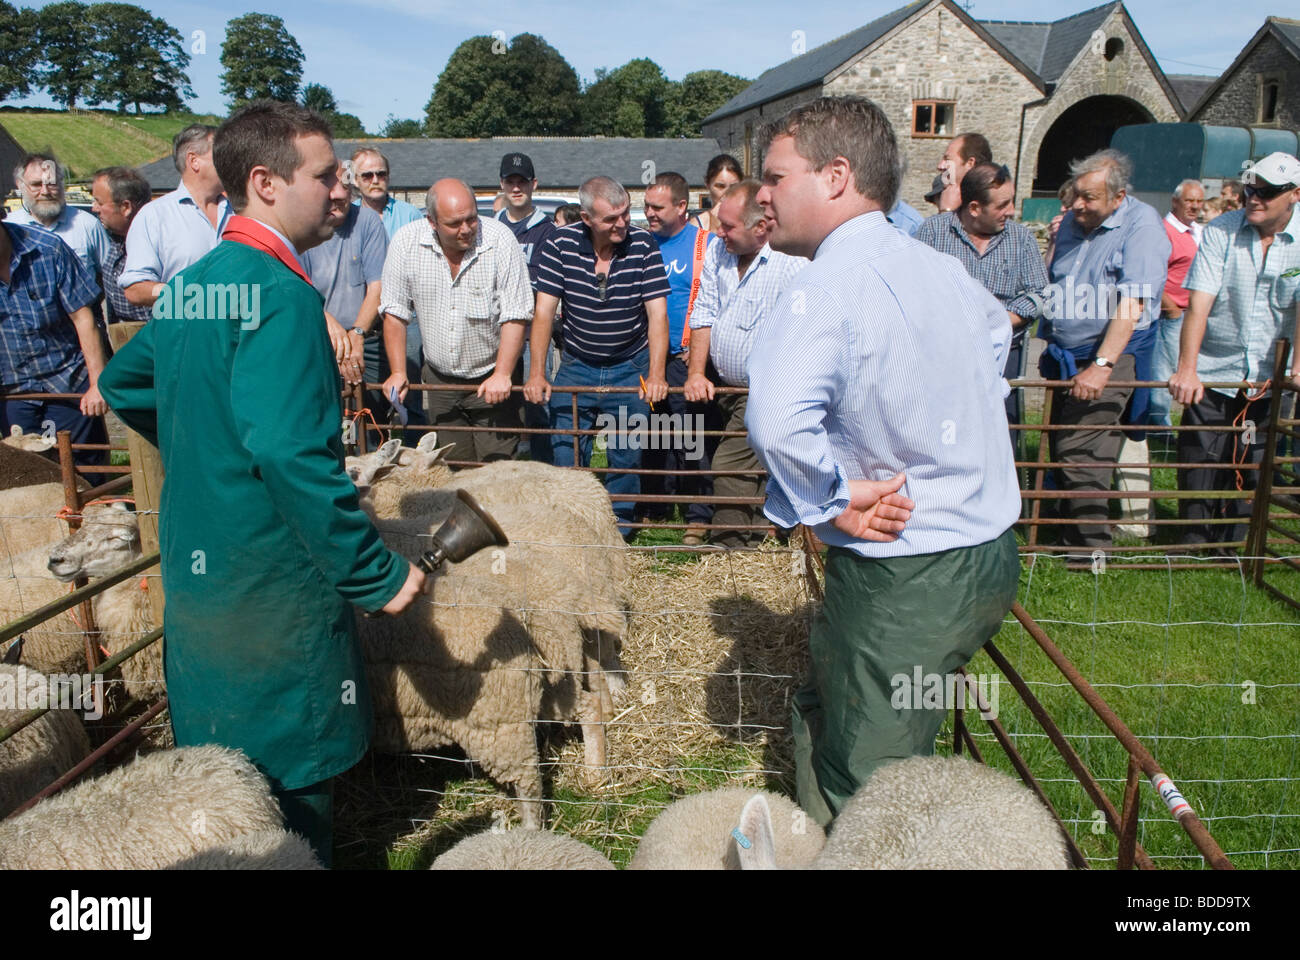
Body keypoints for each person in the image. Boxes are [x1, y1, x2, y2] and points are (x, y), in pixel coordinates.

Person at [97, 101, 425, 867]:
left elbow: (123, 381)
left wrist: (205, 449)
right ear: (265, 182)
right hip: (270, 588)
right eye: (324, 175)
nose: (340, 190)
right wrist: (373, 572)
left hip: (202, 577)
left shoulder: (200, 280)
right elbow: (290, 454)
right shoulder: (281, 295)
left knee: (222, 777)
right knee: (287, 792)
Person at [745, 95, 1016, 825]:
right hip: (984, 548)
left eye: (774, 176)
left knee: (868, 779)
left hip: (909, 562)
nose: (760, 194)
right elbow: (996, 339)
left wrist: (835, 495)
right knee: (850, 703)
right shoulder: (937, 266)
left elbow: (773, 418)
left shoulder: (825, 290)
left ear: (835, 176)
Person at [524, 175, 670, 537]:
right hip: (576, 363)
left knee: (626, 453)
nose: (622, 223)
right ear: (586, 218)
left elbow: (657, 314)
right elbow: (543, 312)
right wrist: (537, 373)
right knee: (567, 450)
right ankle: (575, 527)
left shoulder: (644, 244)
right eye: (611, 219)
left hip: (630, 363)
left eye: (624, 214)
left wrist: (656, 374)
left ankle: (618, 531)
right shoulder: (560, 243)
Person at [1169, 152, 1300, 549]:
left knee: (1253, 459)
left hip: (1266, 372)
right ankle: (1193, 545)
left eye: (1267, 192)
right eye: (1250, 189)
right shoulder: (1220, 231)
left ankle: (1235, 546)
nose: (1254, 198)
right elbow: (1200, 303)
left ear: (1295, 194)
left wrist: (1297, 367)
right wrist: (1188, 368)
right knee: (1201, 456)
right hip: (1215, 365)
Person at [1040, 149, 1169, 549]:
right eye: (1076, 194)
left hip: (1110, 355)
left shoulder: (1142, 227)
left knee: (1083, 452)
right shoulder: (1073, 222)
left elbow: (1133, 303)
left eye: (1089, 197)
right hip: (1065, 354)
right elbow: (1056, 275)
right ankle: (1065, 536)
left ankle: (1091, 551)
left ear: (1118, 197)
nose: (1077, 203)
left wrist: (1102, 365)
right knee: (1061, 445)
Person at [683, 179, 807, 547]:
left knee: (729, 466)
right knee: (755, 467)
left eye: (728, 226)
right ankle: (760, 546)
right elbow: (703, 312)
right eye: (719, 222)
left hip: (767, 390)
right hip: (725, 387)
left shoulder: (793, 264)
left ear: (761, 228)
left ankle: (731, 548)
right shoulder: (718, 253)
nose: (718, 232)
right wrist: (695, 373)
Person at [380, 178, 533, 465]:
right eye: (454, 224)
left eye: (472, 219)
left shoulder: (500, 241)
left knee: (497, 467)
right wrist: (399, 371)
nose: (466, 229)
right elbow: (395, 312)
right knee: (453, 464)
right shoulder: (406, 242)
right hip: (441, 381)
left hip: (491, 375)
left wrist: (502, 374)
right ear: (432, 221)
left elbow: (515, 314)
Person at [916, 162, 1049, 453]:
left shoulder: (1021, 239)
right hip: (944, 354)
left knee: (999, 437)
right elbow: (912, 287)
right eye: (1002, 205)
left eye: (1011, 201)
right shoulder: (932, 233)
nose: (1011, 211)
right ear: (974, 208)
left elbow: (1041, 293)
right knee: (945, 433)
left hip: (1003, 356)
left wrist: (1001, 320)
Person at [641, 171, 720, 543]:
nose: (649, 214)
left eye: (657, 207)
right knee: (654, 432)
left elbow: (719, 299)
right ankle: (658, 506)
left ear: (681, 206)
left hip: (689, 357)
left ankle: (697, 515)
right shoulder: (641, 243)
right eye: (646, 207)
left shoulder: (707, 244)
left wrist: (700, 351)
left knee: (692, 437)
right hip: (651, 356)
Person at [0, 205, 109, 476]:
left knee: (85, 472)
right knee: (27, 477)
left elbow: (83, 318)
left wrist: (98, 384)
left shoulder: (47, 250)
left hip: (68, 380)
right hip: (12, 389)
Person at [300, 161, 387, 407]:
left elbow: (377, 287)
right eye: (331, 186)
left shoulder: (368, 222)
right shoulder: (303, 225)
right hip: (319, 336)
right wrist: (328, 321)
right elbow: (298, 285)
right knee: (324, 414)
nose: (338, 194)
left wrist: (357, 333)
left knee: (369, 418)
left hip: (364, 338)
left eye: (345, 187)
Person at [120, 125, 231, 308]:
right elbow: (135, 289)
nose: (232, 162)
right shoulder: (155, 216)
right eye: (222, 155)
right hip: (185, 333)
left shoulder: (241, 212)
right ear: (194, 161)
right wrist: (192, 295)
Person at [351, 147, 426, 420]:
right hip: (367, 324)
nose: (375, 180)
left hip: (408, 318)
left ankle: (415, 456)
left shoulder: (411, 216)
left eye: (381, 174)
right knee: (366, 400)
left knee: (412, 395)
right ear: (355, 180)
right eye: (367, 175)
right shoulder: (348, 219)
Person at [496, 152, 558, 462]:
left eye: (522, 182)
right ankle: (505, 463)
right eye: (510, 181)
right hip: (498, 329)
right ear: (502, 185)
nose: (516, 188)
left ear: (534, 184)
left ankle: (543, 465)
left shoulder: (547, 230)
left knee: (537, 399)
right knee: (501, 399)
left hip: (534, 329)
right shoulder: (491, 226)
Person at [1149, 179, 1205, 433]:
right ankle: (1158, 426)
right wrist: (1170, 308)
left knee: (1184, 367)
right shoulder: (1164, 232)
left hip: (1191, 313)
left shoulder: (1196, 231)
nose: (1194, 207)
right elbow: (1154, 274)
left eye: (1199, 202)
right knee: (1164, 369)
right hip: (1171, 313)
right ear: (1175, 202)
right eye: (1189, 201)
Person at [10, 153, 111, 283]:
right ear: (20, 185)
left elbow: (109, 279)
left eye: (52, 184)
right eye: (36, 184)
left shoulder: (88, 225)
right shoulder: (9, 227)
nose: (45, 192)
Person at [90, 166, 154, 324]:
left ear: (126, 207)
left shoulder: (157, 244)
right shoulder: (114, 238)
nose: (94, 208)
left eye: (99, 202)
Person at [936, 132, 992, 215]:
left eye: (947, 159)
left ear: (970, 163)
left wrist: (946, 212)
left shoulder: (988, 214)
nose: (940, 166)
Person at [690, 153, 743, 234]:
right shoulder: (697, 225)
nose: (727, 193)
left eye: (733, 187)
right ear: (708, 185)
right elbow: (699, 246)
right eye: (720, 186)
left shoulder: (750, 221)